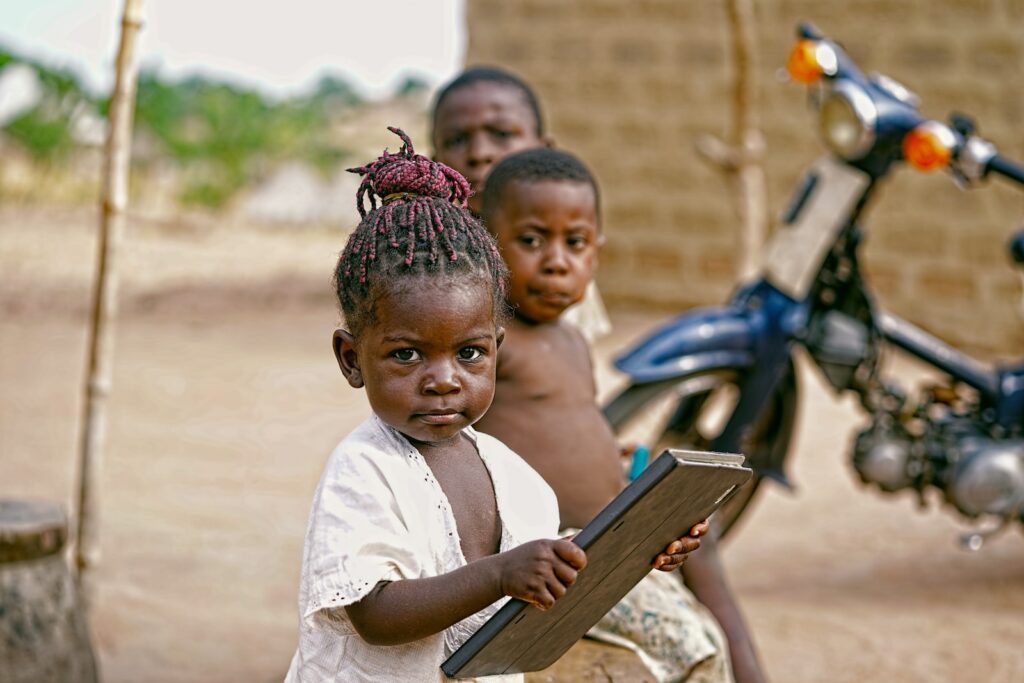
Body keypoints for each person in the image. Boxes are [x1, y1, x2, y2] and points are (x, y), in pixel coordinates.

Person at [284, 128, 706, 682]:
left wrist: (630, 547)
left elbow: (538, 575)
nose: (442, 380)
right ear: (351, 359)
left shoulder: (513, 476)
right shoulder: (365, 469)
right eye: (407, 354)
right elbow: (375, 613)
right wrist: (500, 574)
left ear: (496, 351)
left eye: (469, 353)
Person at [475, 148, 770, 683]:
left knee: (699, 632)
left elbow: (564, 430)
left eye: (576, 243)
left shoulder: (572, 343)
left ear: (598, 253)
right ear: (487, 243)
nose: (556, 261)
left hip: (604, 554)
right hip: (545, 562)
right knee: (696, 650)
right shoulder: (491, 341)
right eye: (531, 240)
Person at [430, 65, 611, 343]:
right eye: (457, 140)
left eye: (501, 134)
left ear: (543, 149)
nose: (479, 154)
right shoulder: (426, 262)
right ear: (434, 162)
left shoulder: (561, 258)